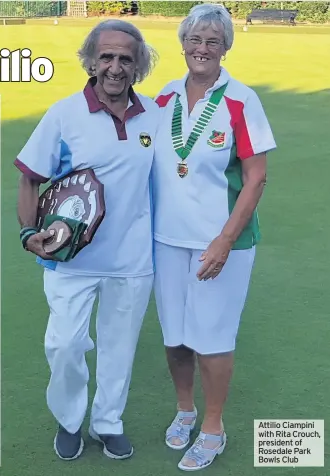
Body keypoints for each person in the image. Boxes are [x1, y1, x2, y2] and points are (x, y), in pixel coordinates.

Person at [14, 20, 159, 461]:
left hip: (132, 261)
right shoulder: (64, 114)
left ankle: (107, 422)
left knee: (119, 347)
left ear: (138, 67)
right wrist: (27, 232)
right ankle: (69, 419)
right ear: (92, 61)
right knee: (65, 345)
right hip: (71, 260)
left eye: (126, 59)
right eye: (107, 57)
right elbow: (29, 179)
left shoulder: (154, 115)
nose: (115, 67)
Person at [151, 3, 277, 471]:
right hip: (166, 240)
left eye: (213, 41)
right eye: (195, 39)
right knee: (176, 336)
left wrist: (225, 240)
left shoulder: (241, 100)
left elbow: (257, 176)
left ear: (226, 47)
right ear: (182, 43)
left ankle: (213, 428)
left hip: (220, 241)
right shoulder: (164, 96)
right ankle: (185, 410)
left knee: (213, 338)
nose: (202, 48)